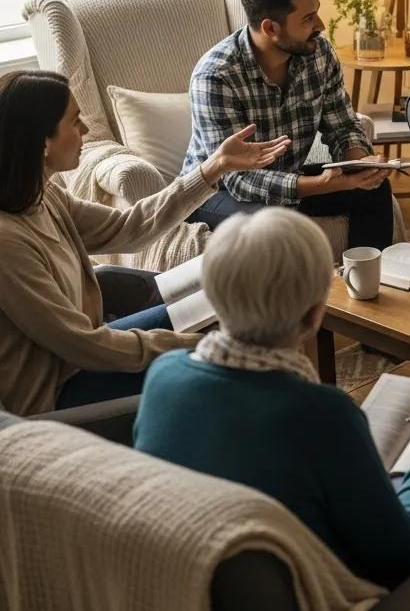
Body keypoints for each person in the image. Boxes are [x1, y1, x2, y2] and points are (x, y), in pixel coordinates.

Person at [133, 208, 410, 588]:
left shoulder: (163, 376)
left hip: (198, 596)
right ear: (316, 314)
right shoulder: (321, 412)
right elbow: (401, 555)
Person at [0, 69, 290, 416]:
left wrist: (213, 168)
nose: (86, 131)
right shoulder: (8, 243)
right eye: (75, 121)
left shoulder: (44, 195)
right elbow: (81, 345)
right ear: (42, 142)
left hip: (81, 359)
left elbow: (129, 226)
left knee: (222, 301)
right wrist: (194, 347)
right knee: (225, 365)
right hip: (54, 395)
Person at [182, 0, 394, 248]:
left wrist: (360, 164)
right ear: (270, 28)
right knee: (272, 225)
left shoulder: (319, 54)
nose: (320, 25)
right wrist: (323, 184)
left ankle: (372, 284)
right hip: (216, 193)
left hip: (286, 177)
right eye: (308, 19)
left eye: (316, 13)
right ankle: (308, 295)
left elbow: (342, 126)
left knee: (374, 191)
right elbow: (238, 180)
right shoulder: (216, 77)